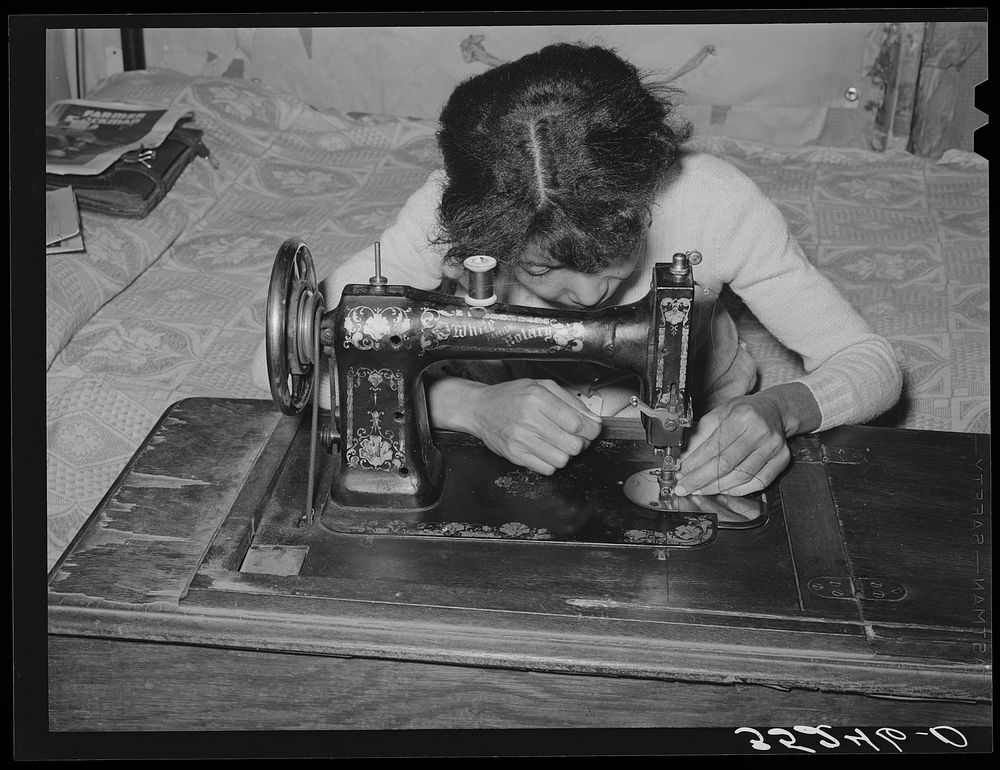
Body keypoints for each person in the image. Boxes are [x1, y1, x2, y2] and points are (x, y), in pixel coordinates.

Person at [252, 42, 902, 498]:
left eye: (615, 261)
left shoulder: (717, 205)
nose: (591, 298)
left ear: (645, 192)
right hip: (505, 443)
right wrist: (466, 406)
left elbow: (869, 361)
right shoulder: (449, 220)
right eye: (540, 269)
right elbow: (285, 361)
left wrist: (780, 410)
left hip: (703, 436)